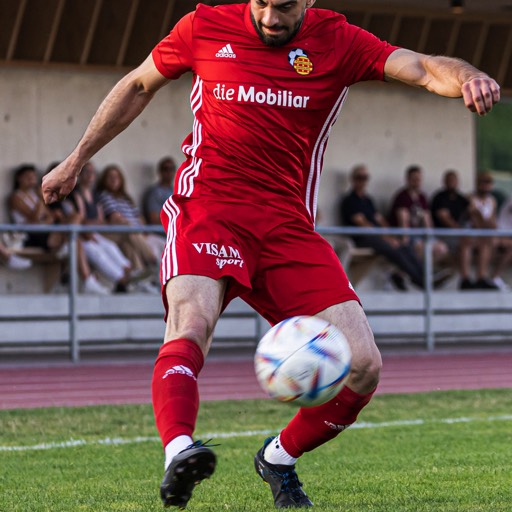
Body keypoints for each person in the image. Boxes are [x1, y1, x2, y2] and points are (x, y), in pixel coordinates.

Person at [41, 1, 500, 508]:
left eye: (284, 7)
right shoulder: (203, 25)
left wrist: (468, 75)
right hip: (209, 208)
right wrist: (76, 159)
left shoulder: (339, 40)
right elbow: (137, 84)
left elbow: (420, 67)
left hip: (286, 228)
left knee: (364, 365)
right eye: (261, 4)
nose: (271, 19)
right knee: (191, 321)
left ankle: (278, 458)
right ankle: (178, 450)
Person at [340, 164, 425, 290]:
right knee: (394, 250)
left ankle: (424, 278)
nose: (363, 181)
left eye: (365, 178)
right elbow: (362, 224)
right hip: (362, 239)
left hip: (376, 237)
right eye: (360, 177)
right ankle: (421, 282)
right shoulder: (350, 200)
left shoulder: (368, 200)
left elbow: (379, 219)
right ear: (353, 179)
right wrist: (386, 237)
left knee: (404, 246)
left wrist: (389, 234)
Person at [70, 162, 135, 293]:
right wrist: (93, 225)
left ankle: (131, 274)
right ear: (79, 175)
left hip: (94, 233)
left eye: (92, 172)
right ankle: (122, 280)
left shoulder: (95, 195)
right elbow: (82, 221)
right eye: (86, 172)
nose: (90, 175)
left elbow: (100, 220)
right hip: (80, 236)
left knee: (110, 247)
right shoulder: (76, 194)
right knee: (98, 254)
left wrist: (93, 224)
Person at [96, 164, 163, 291]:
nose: (113, 180)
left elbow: (140, 218)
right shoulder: (105, 195)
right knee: (128, 229)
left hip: (134, 235)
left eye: (116, 177)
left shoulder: (126, 199)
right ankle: (153, 261)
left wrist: (141, 231)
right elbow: (115, 218)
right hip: (116, 232)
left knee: (129, 245)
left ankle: (142, 280)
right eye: (110, 177)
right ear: (104, 180)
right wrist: (136, 230)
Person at [389, 165, 448, 263]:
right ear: (407, 179)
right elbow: (403, 220)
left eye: (419, 179)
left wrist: (430, 235)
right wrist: (405, 241)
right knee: (421, 248)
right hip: (408, 235)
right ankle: (421, 275)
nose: (417, 181)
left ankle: (428, 273)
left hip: (420, 234)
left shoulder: (422, 197)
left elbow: (427, 219)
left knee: (442, 249)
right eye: (414, 179)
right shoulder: (402, 197)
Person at [462, 172, 500, 290]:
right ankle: (465, 278)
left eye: (488, 183)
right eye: (483, 183)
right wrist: (484, 222)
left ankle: (482, 277)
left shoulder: (492, 201)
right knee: (468, 244)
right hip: (471, 233)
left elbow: (493, 222)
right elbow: (475, 220)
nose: (486, 186)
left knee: (489, 243)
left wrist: (486, 222)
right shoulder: (470, 198)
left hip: (485, 234)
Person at [143, 156, 177, 225]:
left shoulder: (177, 191)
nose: (169, 172)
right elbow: (154, 220)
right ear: (160, 171)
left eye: (171, 169)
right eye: (165, 169)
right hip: (162, 232)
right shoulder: (155, 193)